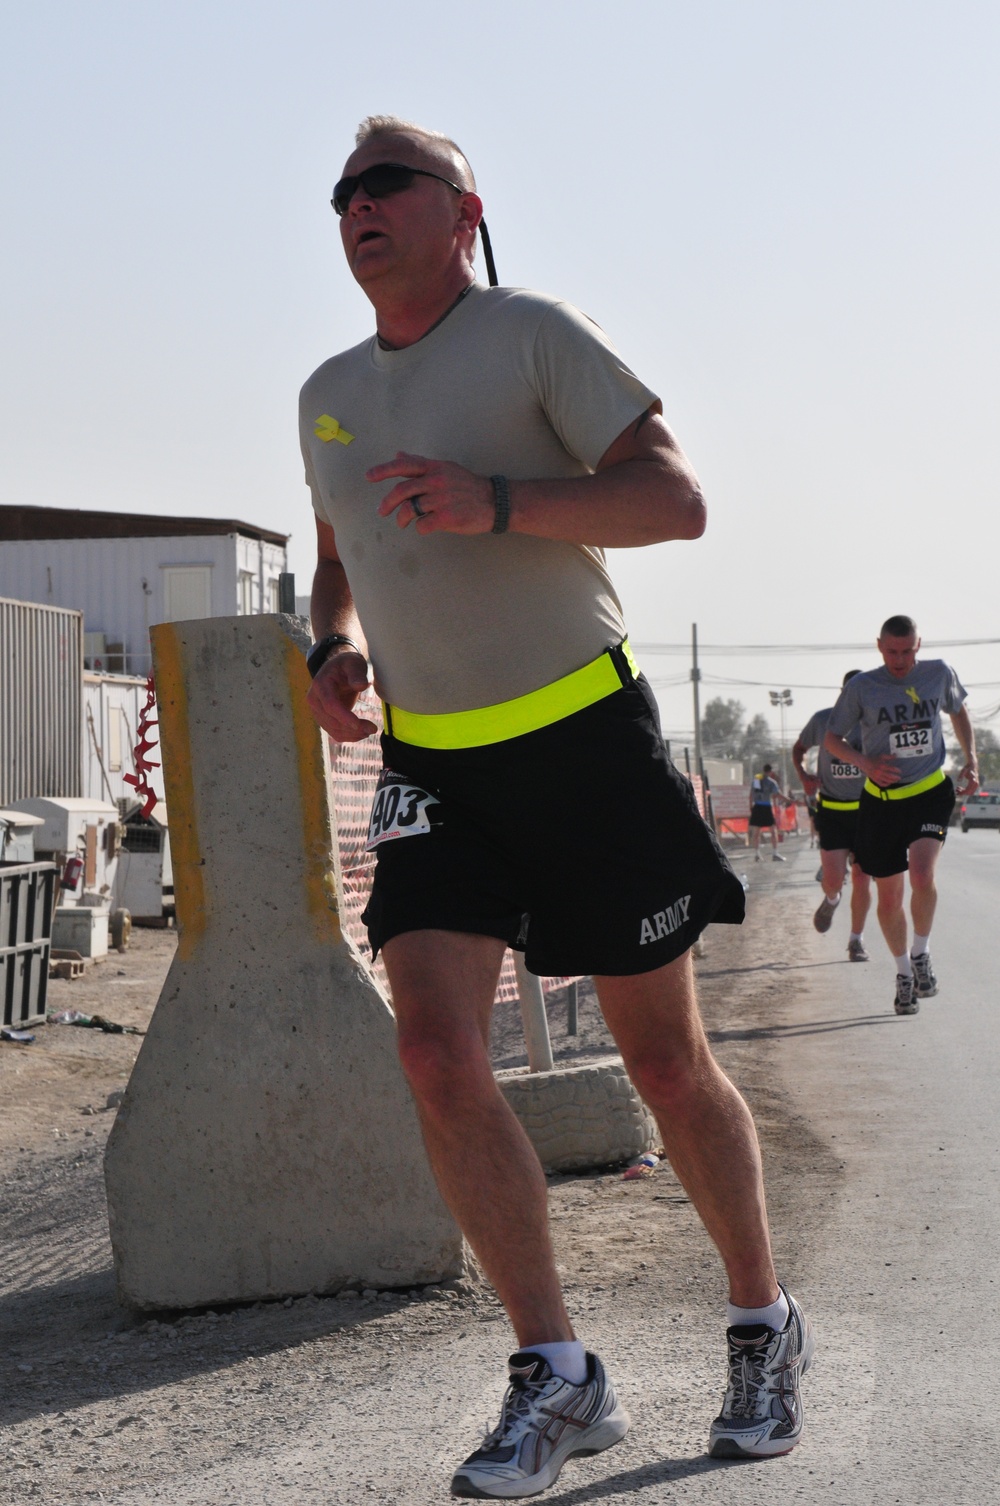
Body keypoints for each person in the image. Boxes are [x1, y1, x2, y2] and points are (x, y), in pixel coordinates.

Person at [302, 115, 813, 1498]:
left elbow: (677, 500)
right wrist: (329, 646)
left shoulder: (534, 333)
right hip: (434, 766)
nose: (357, 205)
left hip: (583, 734)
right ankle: (558, 1370)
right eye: (342, 191)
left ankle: (765, 1321)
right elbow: (337, 545)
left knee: (661, 1061)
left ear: (461, 210)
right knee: (435, 1057)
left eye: (385, 183)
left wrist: (501, 502)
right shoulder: (328, 390)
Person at [824, 616, 977, 1015]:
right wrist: (865, 763)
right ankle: (904, 974)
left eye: (907, 650)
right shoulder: (862, 687)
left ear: (918, 645)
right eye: (892, 651)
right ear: (879, 646)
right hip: (881, 802)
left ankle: (922, 952)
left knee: (923, 874)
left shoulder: (938, 674)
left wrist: (972, 759)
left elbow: (958, 711)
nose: (900, 659)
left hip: (929, 791)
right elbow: (831, 739)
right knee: (889, 897)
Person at [792, 671, 873, 960]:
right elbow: (798, 749)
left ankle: (856, 941)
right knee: (833, 879)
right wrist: (804, 776)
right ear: (844, 694)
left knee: (863, 876)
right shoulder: (822, 720)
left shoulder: (878, 723)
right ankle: (831, 898)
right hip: (833, 810)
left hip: (869, 811)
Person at [748, 764, 785, 861]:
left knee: (756, 832)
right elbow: (777, 794)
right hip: (766, 806)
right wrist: (788, 799)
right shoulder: (771, 782)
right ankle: (775, 853)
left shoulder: (756, 780)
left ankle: (756, 854)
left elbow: (751, 795)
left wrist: (750, 806)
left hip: (757, 807)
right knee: (773, 831)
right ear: (770, 772)